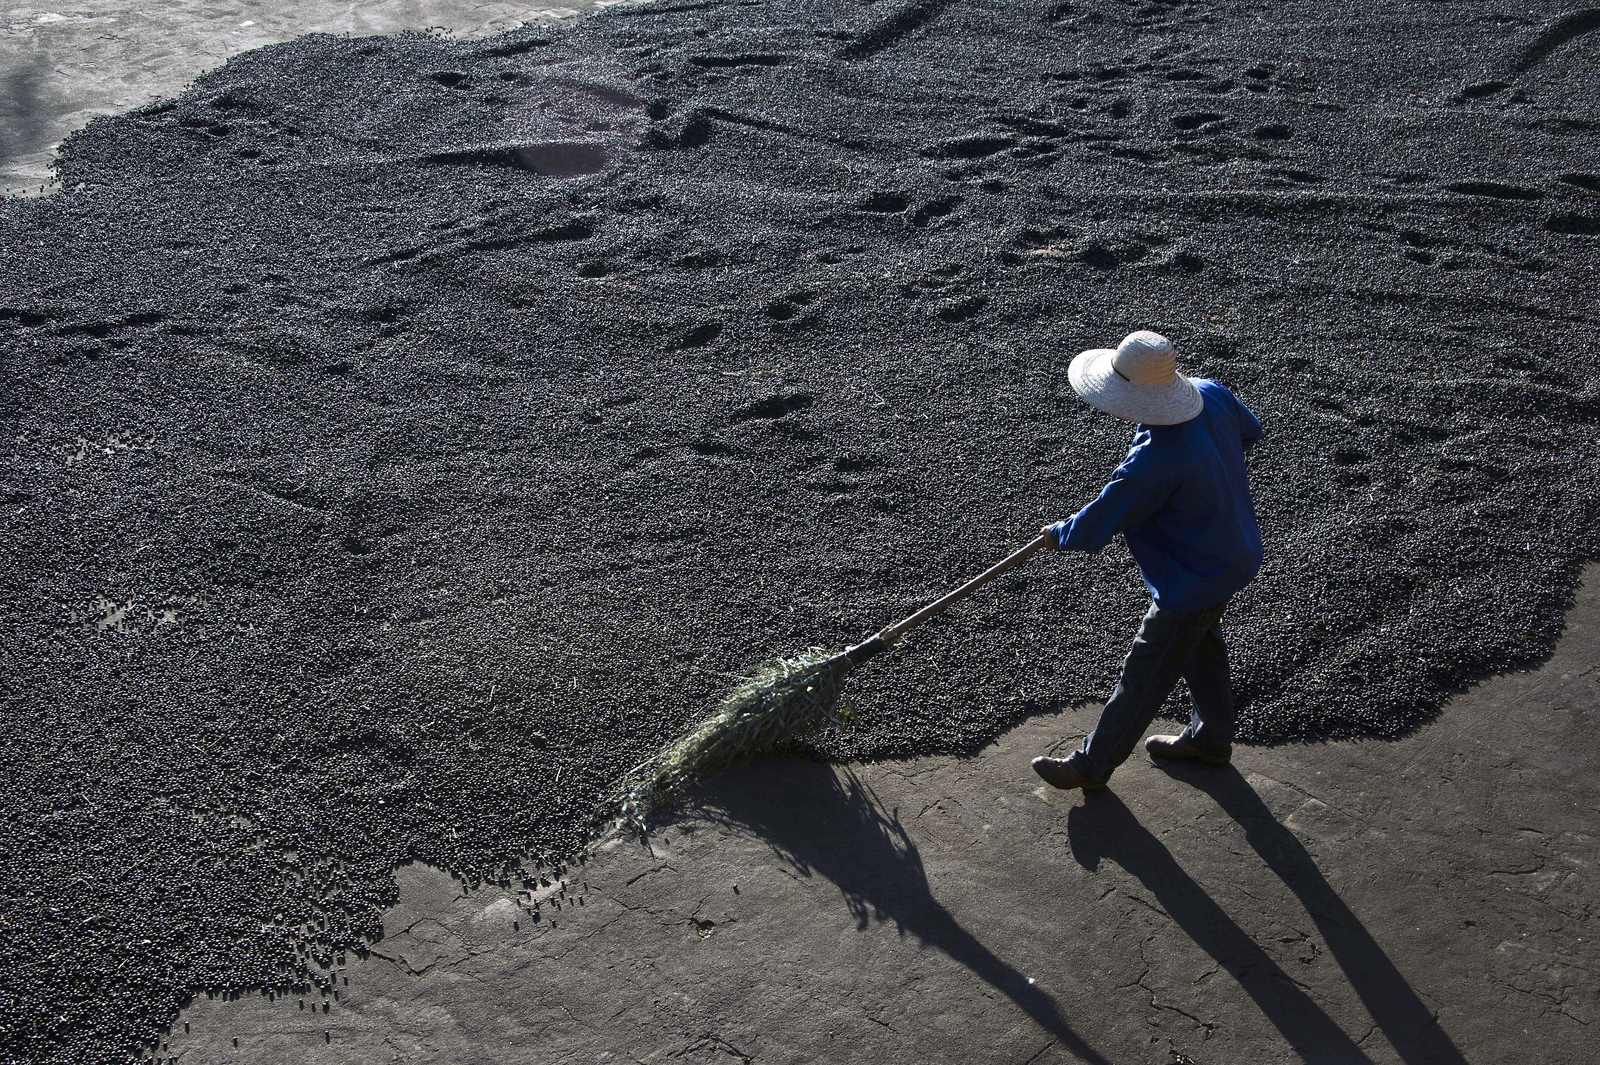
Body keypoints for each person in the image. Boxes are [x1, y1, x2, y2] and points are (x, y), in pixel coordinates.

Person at [1032, 330, 1264, 792]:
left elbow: (1102, 517)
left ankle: (1091, 765)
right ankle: (1211, 740)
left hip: (1193, 576)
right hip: (1233, 550)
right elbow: (1250, 431)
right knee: (1201, 647)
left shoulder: (1156, 461)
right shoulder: (1212, 393)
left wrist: (1060, 534)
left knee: (1146, 672)